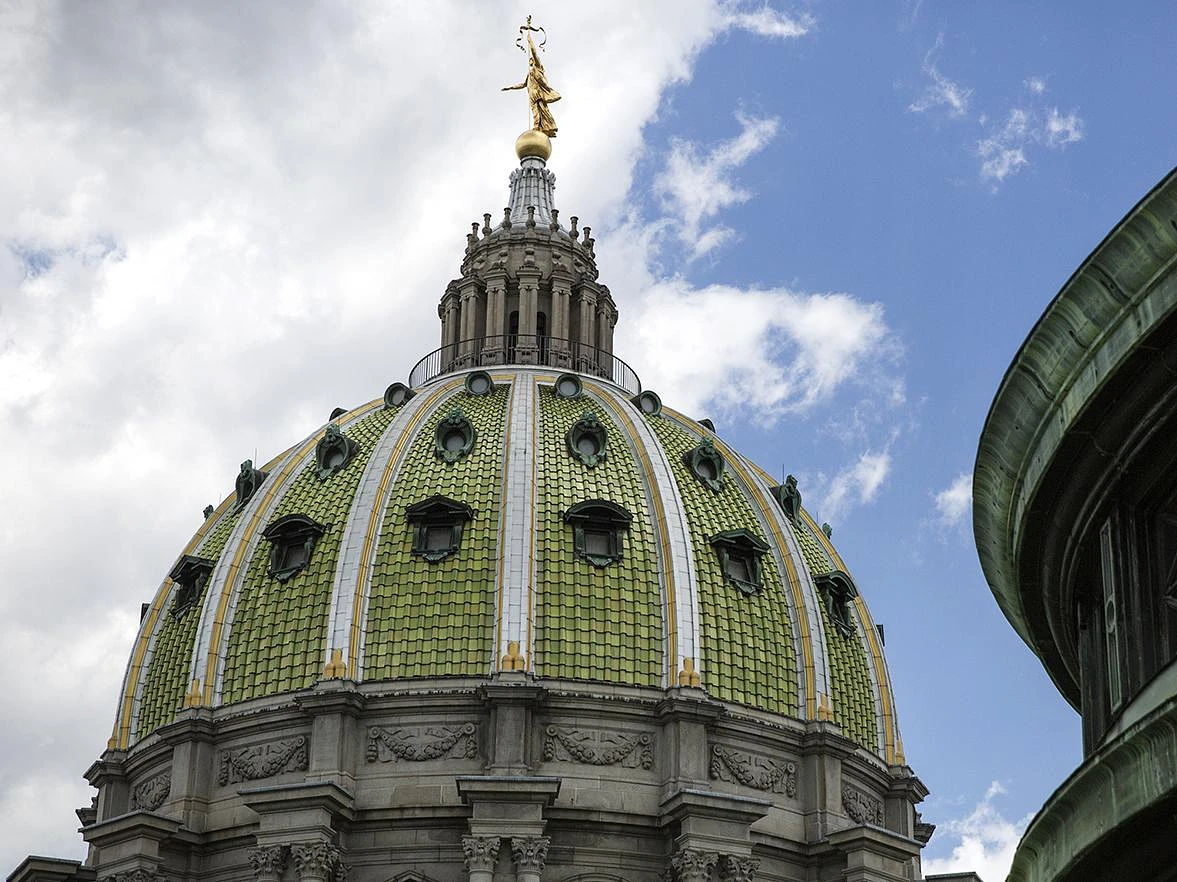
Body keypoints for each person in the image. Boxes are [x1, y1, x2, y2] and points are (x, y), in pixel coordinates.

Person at [502, 18, 560, 137]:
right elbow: (523, 84)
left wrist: (530, 41)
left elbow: (534, 52)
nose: (530, 60)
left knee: (540, 112)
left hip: (538, 94)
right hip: (532, 95)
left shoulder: (537, 68)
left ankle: (538, 127)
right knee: (535, 112)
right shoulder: (529, 74)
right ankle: (539, 127)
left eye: (532, 59)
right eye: (530, 60)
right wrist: (510, 87)